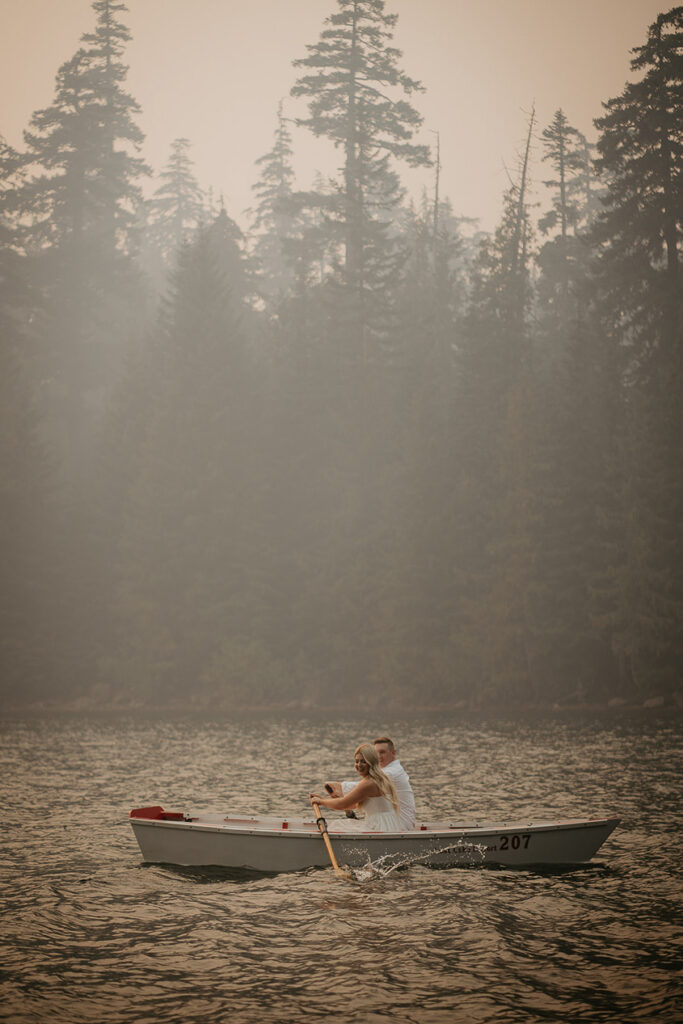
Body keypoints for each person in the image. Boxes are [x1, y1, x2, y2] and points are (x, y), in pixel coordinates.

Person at [324, 735, 416, 831]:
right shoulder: (379, 775)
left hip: (400, 825)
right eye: (376, 753)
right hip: (387, 823)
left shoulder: (392, 772)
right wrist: (324, 800)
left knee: (336, 827)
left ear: (393, 753)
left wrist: (338, 787)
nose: (379, 756)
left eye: (382, 752)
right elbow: (353, 801)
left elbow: (359, 790)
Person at [309, 743, 401, 831]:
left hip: (379, 827)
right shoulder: (380, 778)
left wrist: (321, 802)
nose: (359, 765)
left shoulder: (369, 783)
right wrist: (324, 800)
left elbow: (343, 804)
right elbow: (353, 805)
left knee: (336, 826)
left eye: (363, 761)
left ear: (371, 762)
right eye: (357, 761)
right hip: (387, 825)